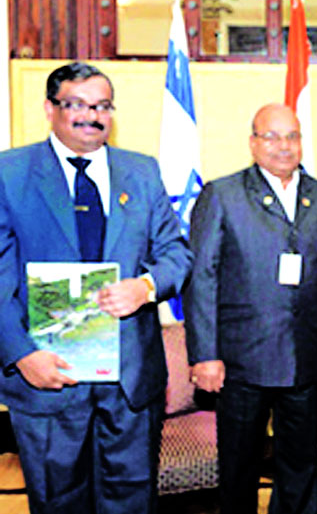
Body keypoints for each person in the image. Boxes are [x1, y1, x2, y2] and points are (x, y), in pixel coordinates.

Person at [0, 62, 193, 513]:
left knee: (132, 502)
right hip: (46, 374)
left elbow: (177, 254)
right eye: (78, 104)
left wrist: (145, 287)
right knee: (58, 502)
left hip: (129, 381)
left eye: (103, 106)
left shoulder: (142, 172)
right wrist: (21, 354)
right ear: (49, 108)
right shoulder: (9, 173)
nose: (92, 116)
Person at [184, 103, 317, 514]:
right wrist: (204, 355)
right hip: (240, 363)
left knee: (301, 468)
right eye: (271, 136)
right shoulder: (222, 195)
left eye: (292, 136)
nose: (283, 146)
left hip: (307, 359)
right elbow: (201, 278)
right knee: (238, 469)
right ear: (253, 142)